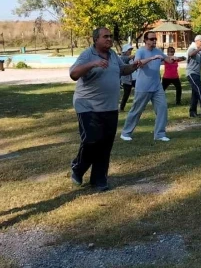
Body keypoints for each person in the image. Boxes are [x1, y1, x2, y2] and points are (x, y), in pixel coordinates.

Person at [69, 27, 139, 192]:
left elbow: (122, 70)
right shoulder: (88, 54)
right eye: (105, 36)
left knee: (106, 143)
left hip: (109, 106)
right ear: (96, 39)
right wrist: (93, 63)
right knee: (92, 139)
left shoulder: (114, 55)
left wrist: (135, 66)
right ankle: (78, 169)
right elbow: (73, 74)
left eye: (111, 37)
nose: (109, 39)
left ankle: (99, 179)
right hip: (87, 105)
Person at [120, 31, 175, 142]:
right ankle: (125, 133)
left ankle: (159, 134)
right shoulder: (141, 51)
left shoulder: (158, 51)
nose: (154, 41)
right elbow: (137, 64)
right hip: (143, 87)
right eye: (151, 39)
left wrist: (174, 59)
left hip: (157, 86)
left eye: (155, 39)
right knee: (136, 110)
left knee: (162, 108)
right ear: (145, 40)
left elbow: (168, 60)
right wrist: (152, 58)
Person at [119, 44, 135, 112]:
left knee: (140, 91)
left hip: (133, 79)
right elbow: (129, 58)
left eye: (131, 50)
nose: (130, 51)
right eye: (129, 50)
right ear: (125, 50)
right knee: (126, 94)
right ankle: (121, 108)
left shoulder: (129, 57)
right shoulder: (122, 57)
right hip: (126, 80)